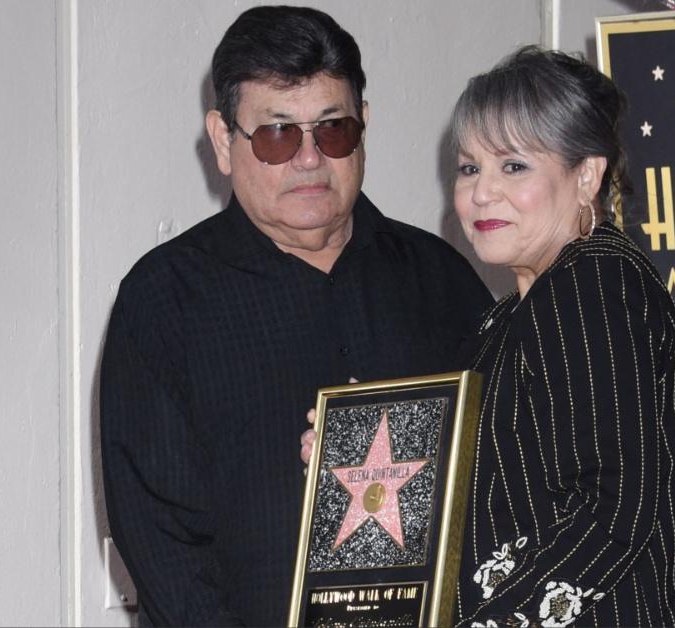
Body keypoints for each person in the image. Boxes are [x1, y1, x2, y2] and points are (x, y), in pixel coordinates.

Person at [100, 6, 493, 626]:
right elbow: (162, 539)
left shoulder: (443, 281)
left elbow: (504, 486)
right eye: (278, 133)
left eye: (332, 130)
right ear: (224, 141)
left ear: (365, 126)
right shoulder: (164, 300)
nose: (309, 159)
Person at [300, 46, 675, 627]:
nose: (481, 193)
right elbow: (494, 505)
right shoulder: (507, 318)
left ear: (587, 174)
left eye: (513, 166)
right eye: (470, 168)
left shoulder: (591, 283)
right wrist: (363, 459)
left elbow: (616, 507)